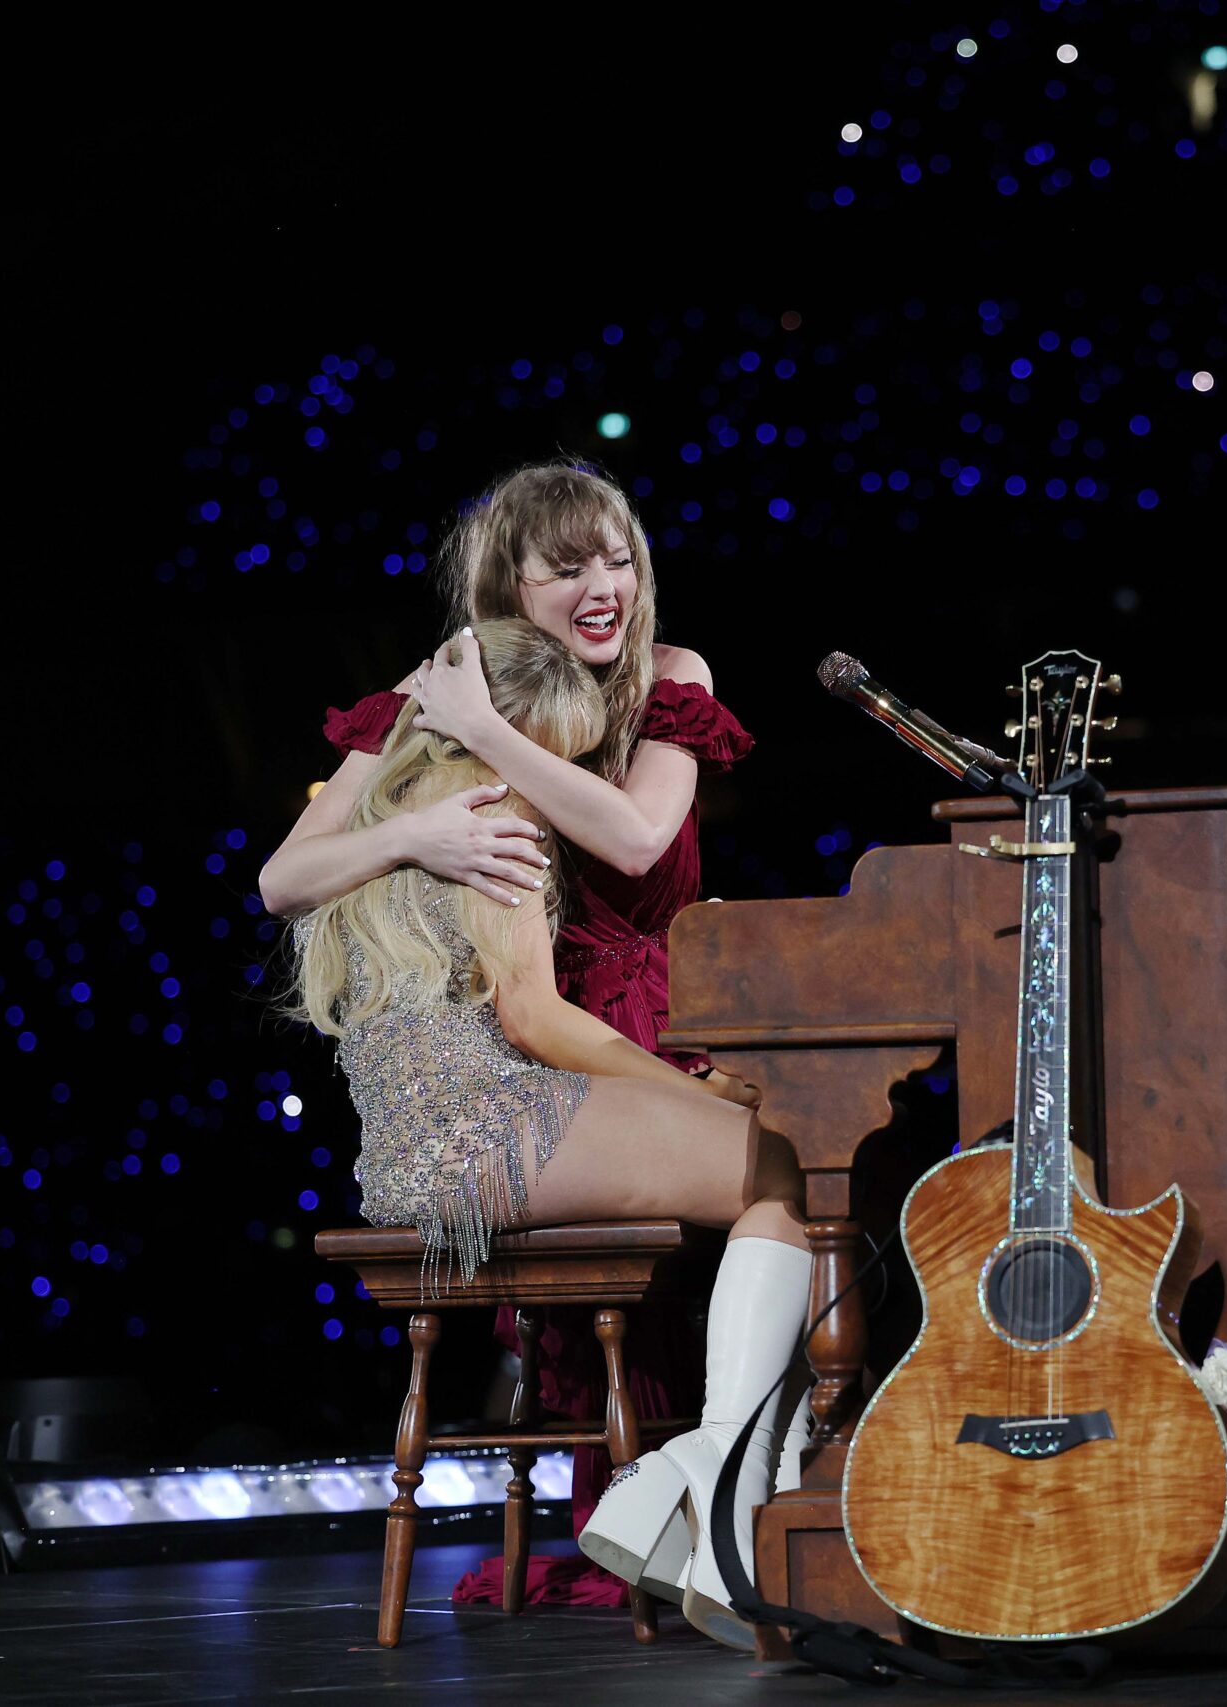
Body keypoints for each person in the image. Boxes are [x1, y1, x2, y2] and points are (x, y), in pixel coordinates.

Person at [261, 461, 790, 1643]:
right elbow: (283, 878)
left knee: (771, 1179)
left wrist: (486, 736)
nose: (604, 586)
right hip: (537, 1047)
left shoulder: (647, 684)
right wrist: (420, 830)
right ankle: (710, 1503)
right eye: (567, 567)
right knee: (783, 1171)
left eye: (619, 559)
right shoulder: (456, 749)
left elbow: (644, 842)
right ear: (510, 582)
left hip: (582, 1034)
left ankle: (715, 1494)